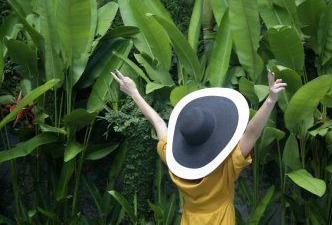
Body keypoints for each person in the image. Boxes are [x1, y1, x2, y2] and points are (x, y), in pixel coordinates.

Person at [111, 69, 286, 225]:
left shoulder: (174, 160)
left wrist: (134, 93)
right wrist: (270, 100)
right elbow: (251, 133)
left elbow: (157, 122)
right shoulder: (226, 166)